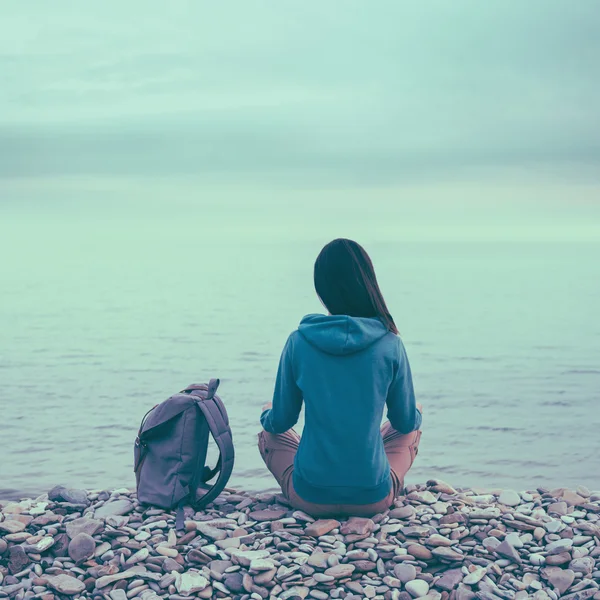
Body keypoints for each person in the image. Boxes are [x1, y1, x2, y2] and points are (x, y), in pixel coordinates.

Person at [258, 238, 422, 517]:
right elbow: (404, 421)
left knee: (268, 429)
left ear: (322, 288)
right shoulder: (390, 344)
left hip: (309, 496)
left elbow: (281, 421)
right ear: (368, 283)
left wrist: (266, 416)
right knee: (411, 420)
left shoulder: (299, 342)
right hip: (373, 497)